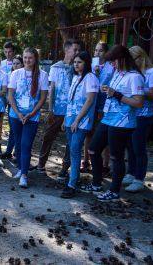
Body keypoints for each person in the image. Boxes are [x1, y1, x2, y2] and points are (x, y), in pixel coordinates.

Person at [80, 45, 144, 202]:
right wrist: (107, 90)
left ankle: (114, 192)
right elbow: (113, 93)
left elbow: (139, 103)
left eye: (113, 62)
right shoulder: (117, 73)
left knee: (116, 157)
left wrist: (116, 94)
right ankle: (96, 184)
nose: (112, 65)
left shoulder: (134, 77)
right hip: (108, 118)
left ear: (122, 59)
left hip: (123, 122)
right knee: (94, 149)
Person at [36, 39, 80, 179]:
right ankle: (41, 164)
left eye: (79, 50)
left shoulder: (78, 68)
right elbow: (52, 88)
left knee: (70, 141)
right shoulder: (56, 67)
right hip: (57, 110)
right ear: (67, 50)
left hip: (72, 112)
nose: (78, 53)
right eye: (75, 50)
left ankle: (64, 169)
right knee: (48, 136)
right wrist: (50, 109)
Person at [8, 47, 49, 188]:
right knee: (18, 143)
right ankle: (21, 168)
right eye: (25, 57)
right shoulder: (16, 73)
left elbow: (43, 97)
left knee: (26, 144)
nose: (27, 60)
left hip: (32, 115)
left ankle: (24, 176)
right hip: (16, 115)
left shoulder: (42, 75)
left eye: (30, 58)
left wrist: (31, 113)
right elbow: (10, 95)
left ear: (35, 59)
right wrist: (18, 113)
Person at [60, 51, 98, 198]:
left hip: (81, 122)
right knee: (72, 150)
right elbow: (70, 101)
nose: (76, 64)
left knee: (75, 150)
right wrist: (65, 119)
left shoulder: (90, 78)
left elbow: (89, 101)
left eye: (79, 62)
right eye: (75, 62)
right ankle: (73, 179)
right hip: (70, 120)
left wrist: (77, 120)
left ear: (86, 63)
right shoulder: (76, 78)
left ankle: (72, 184)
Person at [123, 46, 153, 192]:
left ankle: (139, 178)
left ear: (141, 57)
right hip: (131, 114)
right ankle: (131, 172)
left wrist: (138, 88)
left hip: (144, 115)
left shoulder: (152, 72)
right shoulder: (133, 72)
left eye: (133, 59)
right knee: (129, 145)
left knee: (138, 147)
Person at [81, 42, 114, 173]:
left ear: (106, 52)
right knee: (89, 132)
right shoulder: (90, 65)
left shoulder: (111, 66)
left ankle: (105, 164)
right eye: (95, 50)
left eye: (100, 50)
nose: (98, 53)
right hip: (91, 104)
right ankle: (86, 161)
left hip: (105, 104)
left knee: (105, 134)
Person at [0, 55, 23, 160]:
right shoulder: (10, 74)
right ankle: (9, 151)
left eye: (18, 63)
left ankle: (18, 152)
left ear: (22, 64)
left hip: (24, 107)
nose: (15, 65)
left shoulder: (25, 75)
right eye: (14, 63)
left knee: (21, 131)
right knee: (13, 129)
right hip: (12, 105)